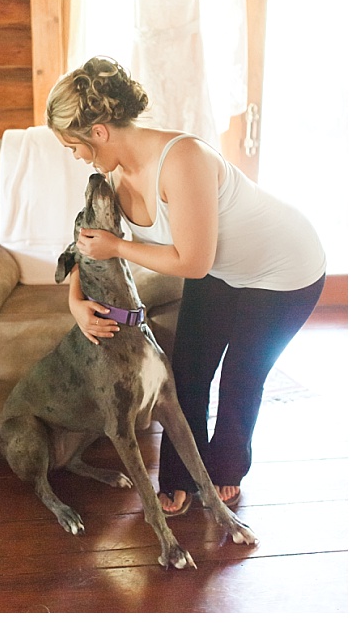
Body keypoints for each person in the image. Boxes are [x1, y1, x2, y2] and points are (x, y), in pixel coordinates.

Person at [45, 56, 326, 516]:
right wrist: (75, 300)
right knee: (189, 370)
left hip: (285, 269)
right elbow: (88, 241)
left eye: (72, 144)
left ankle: (227, 468)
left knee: (241, 375)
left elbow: (192, 263)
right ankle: (180, 478)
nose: (76, 156)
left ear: (98, 132)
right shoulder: (112, 175)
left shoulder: (183, 159)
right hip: (223, 270)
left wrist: (118, 247)